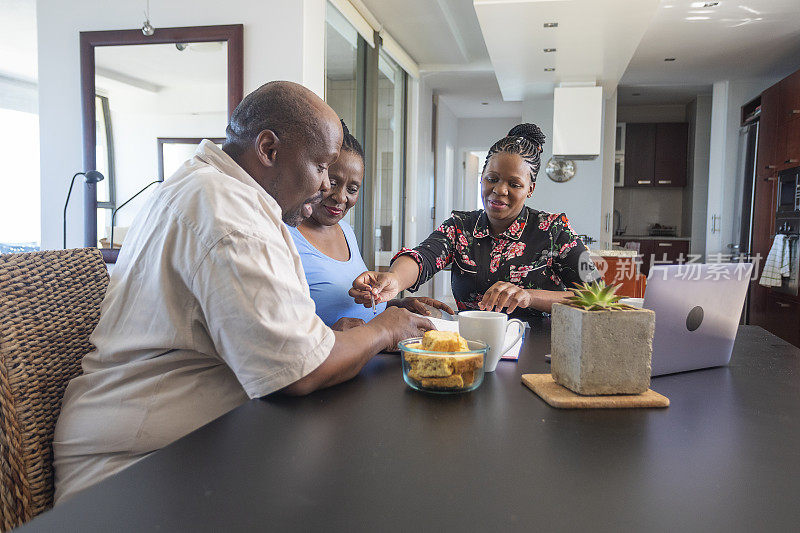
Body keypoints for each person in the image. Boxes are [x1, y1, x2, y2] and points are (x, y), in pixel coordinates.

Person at [53, 81, 432, 503]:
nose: (327, 185)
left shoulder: (213, 188)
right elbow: (302, 372)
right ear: (269, 149)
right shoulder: (231, 215)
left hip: (188, 448)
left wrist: (332, 338)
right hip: (131, 474)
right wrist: (386, 329)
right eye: (322, 166)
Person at [350, 123, 601, 323]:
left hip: (540, 353)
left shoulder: (555, 231)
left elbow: (598, 297)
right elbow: (423, 257)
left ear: (530, 189)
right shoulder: (460, 227)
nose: (499, 190)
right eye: (492, 178)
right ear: (482, 178)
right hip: (473, 345)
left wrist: (528, 296)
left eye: (514, 184)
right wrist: (393, 279)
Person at [287, 120, 454, 329]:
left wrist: (396, 305)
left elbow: (354, 307)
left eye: (352, 189)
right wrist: (332, 333)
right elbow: (277, 331)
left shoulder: (346, 232)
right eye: (333, 182)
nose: (341, 197)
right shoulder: (285, 235)